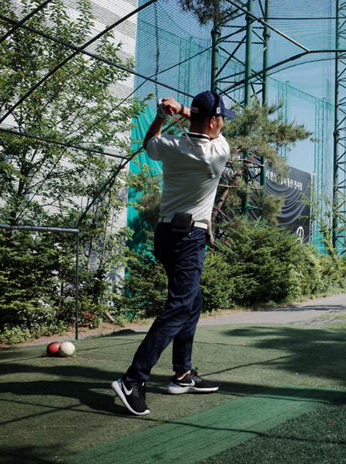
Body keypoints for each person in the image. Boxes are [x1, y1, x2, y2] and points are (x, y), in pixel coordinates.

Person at [111, 91, 236, 416]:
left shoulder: (170, 145)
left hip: (166, 234)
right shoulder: (218, 152)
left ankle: (182, 373)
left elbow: (148, 143)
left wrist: (164, 115)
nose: (223, 124)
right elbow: (206, 129)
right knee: (180, 306)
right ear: (213, 121)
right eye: (221, 119)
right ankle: (132, 380)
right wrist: (181, 111)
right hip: (189, 237)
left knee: (192, 302)